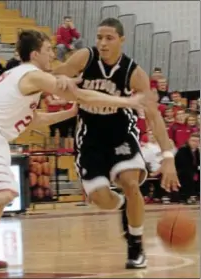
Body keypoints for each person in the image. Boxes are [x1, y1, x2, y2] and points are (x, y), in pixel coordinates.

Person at [0, 30, 147, 269]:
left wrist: (68, 113)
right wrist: (126, 102)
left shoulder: (19, 75)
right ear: (35, 53)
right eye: (48, 50)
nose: (52, 55)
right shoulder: (33, 75)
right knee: (4, 192)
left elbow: (33, 119)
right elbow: (80, 95)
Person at [53, 18, 180, 269]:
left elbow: (153, 115)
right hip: (90, 138)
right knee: (103, 199)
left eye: (109, 38)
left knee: (131, 183)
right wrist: (60, 80)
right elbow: (55, 75)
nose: (102, 42)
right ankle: (124, 206)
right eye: (99, 37)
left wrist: (168, 157)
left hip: (121, 135)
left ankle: (135, 245)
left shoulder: (134, 72)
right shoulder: (84, 58)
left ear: (122, 40)